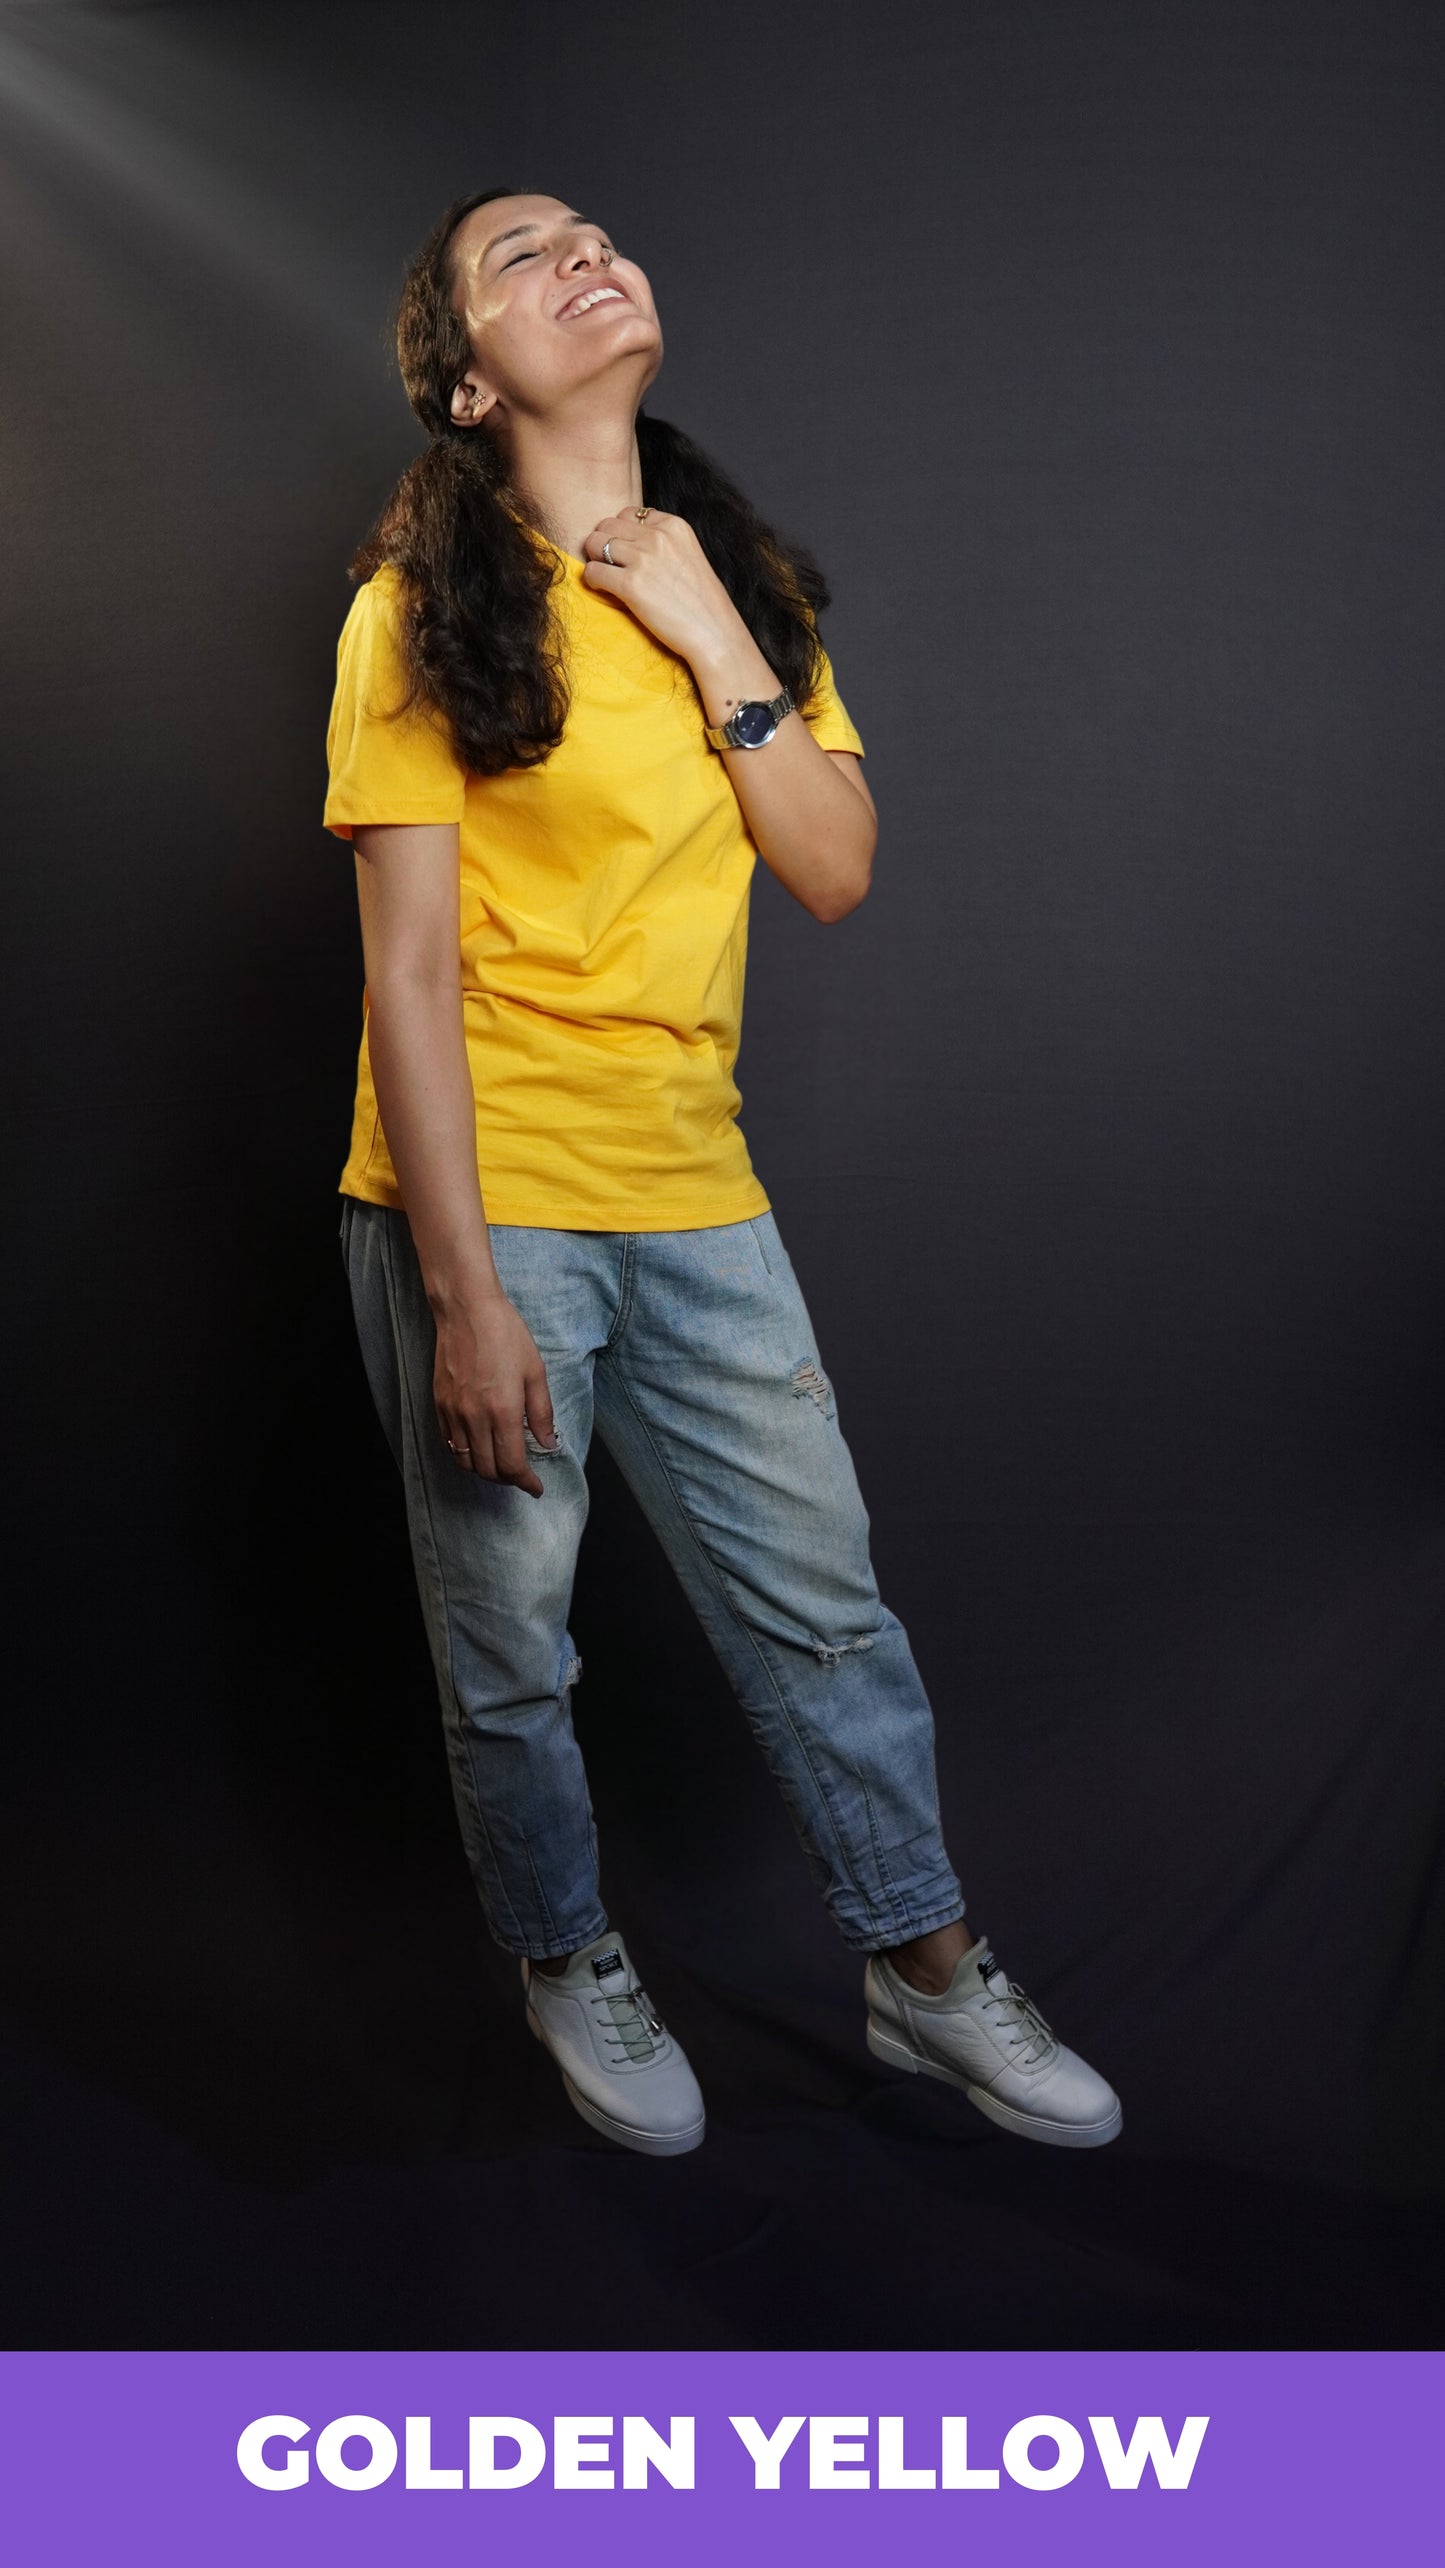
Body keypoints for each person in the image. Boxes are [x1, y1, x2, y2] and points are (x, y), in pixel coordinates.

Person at [326, 185, 1121, 2159]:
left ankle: (924, 1975)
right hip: (484, 1186)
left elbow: (834, 867)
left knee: (827, 1612)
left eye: (597, 235)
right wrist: (466, 1294)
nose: (582, 256)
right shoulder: (414, 610)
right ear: (459, 380)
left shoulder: (738, 583)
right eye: (523, 257)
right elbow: (407, 975)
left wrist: (698, 625)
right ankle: (562, 1955)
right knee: (511, 1648)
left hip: (693, 1188)